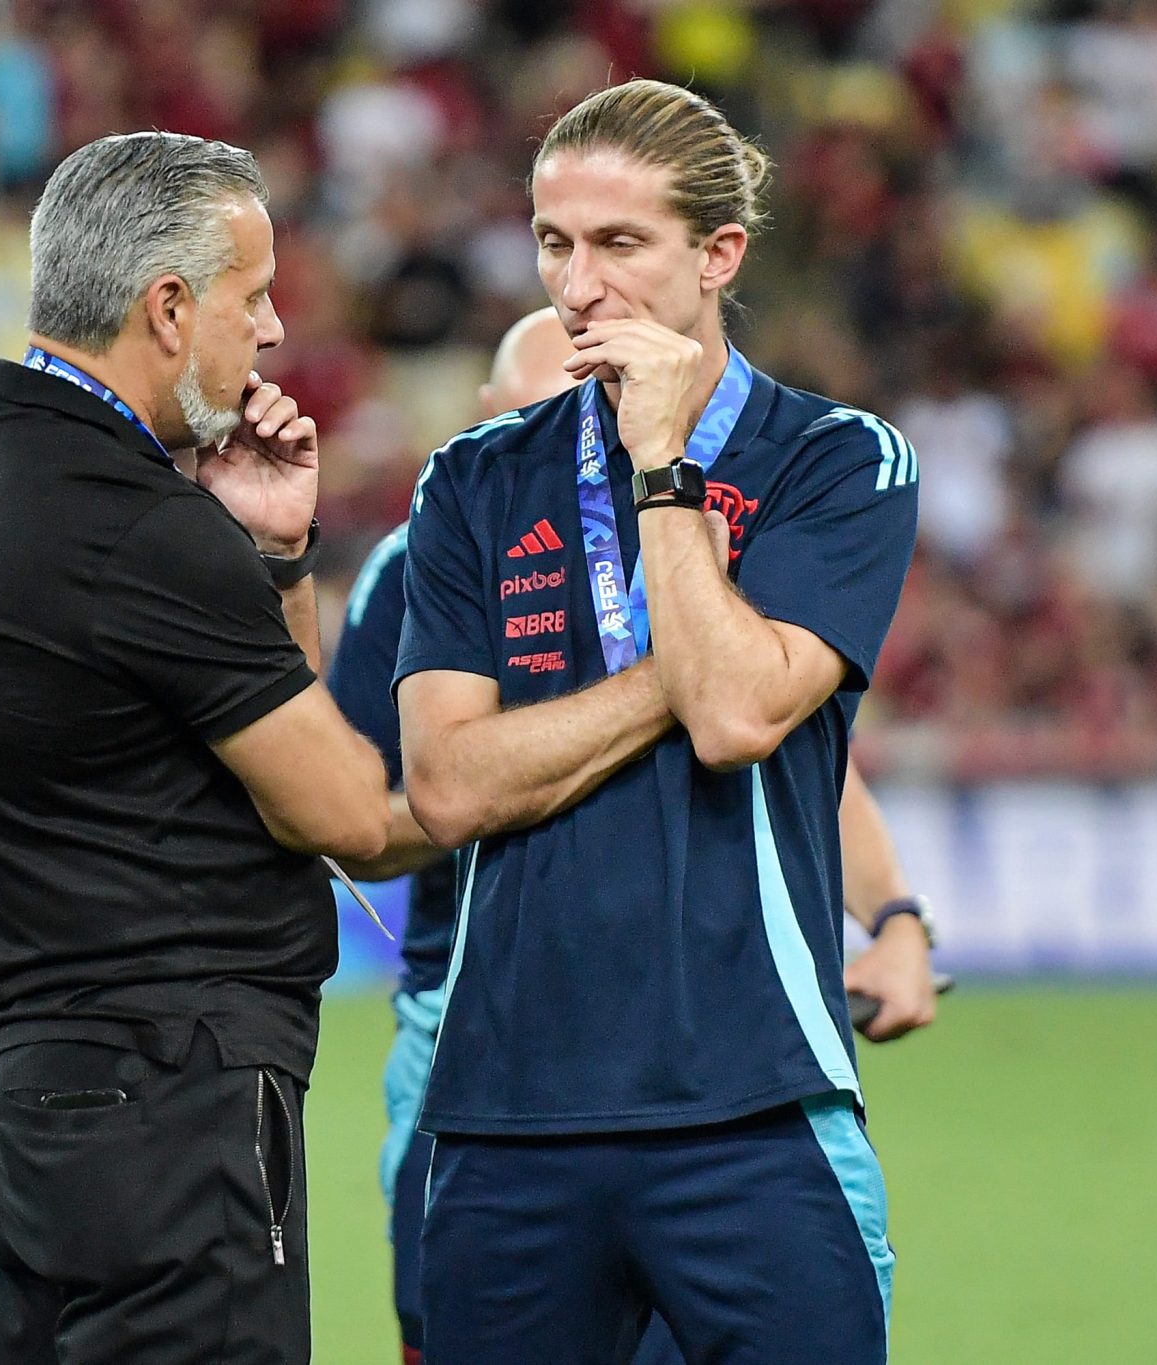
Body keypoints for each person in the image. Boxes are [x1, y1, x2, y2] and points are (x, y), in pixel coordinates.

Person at [396, 81, 919, 1362]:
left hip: (753, 1104)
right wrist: (676, 675)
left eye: (619, 244)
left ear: (717, 255)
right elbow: (448, 788)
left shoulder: (836, 460)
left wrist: (662, 469)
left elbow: (736, 718)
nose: (576, 287)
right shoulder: (472, 478)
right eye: (552, 242)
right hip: (506, 1112)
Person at [0, 132, 391, 1364]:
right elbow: (344, 813)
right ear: (166, 307)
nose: (270, 331)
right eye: (251, 296)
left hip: (19, 1092)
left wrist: (270, 554)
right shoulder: (136, 525)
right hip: (167, 1102)